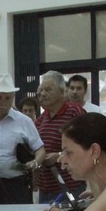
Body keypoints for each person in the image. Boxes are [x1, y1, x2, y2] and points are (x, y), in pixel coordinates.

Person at [0, 73, 45, 205]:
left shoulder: (24, 121)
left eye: (7, 98)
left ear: (13, 97)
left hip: (17, 184)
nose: (3, 102)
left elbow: (40, 149)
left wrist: (34, 163)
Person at [33, 71, 86, 203]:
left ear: (62, 92)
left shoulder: (74, 112)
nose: (42, 94)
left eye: (48, 90)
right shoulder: (40, 121)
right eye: (40, 91)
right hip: (45, 189)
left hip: (71, 187)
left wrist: (58, 156)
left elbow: (86, 145)